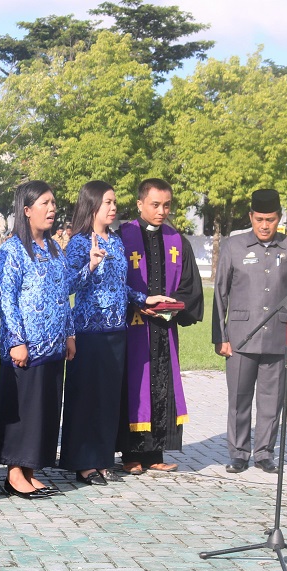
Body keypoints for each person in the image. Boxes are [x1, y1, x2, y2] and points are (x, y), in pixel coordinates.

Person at [0, 181, 82, 498]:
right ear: (26, 210)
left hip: (54, 345)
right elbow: (5, 298)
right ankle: (15, 473)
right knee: (24, 411)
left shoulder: (55, 248)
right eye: (45, 203)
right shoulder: (12, 250)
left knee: (45, 409)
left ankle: (31, 469)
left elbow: (62, 293)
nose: (52, 208)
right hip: (26, 346)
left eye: (53, 202)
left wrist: (69, 333)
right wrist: (15, 339)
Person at [212, 189, 287, 475]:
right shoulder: (233, 245)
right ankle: (238, 453)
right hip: (241, 336)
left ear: (279, 218)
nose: (265, 225)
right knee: (239, 400)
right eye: (259, 219)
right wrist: (221, 336)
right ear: (250, 217)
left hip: (278, 336)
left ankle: (265, 453)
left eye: (271, 219)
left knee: (272, 399)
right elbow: (220, 292)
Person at [118, 178, 204, 474]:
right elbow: (115, 283)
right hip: (134, 326)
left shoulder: (177, 240)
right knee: (134, 386)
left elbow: (190, 287)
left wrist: (171, 307)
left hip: (164, 329)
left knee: (162, 386)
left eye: (167, 205)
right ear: (140, 203)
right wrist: (139, 303)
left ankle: (154, 453)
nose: (162, 211)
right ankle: (130, 455)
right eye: (155, 205)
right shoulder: (122, 236)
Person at [59, 181, 133, 484]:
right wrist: (89, 265)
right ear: (92, 206)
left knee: (108, 399)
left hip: (117, 330)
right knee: (86, 398)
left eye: (115, 202)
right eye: (108, 203)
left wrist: (143, 298)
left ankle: (103, 460)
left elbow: (119, 285)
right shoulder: (78, 243)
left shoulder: (116, 242)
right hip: (88, 332)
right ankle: (83, 462)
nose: (113, 208)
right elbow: (66, 286)